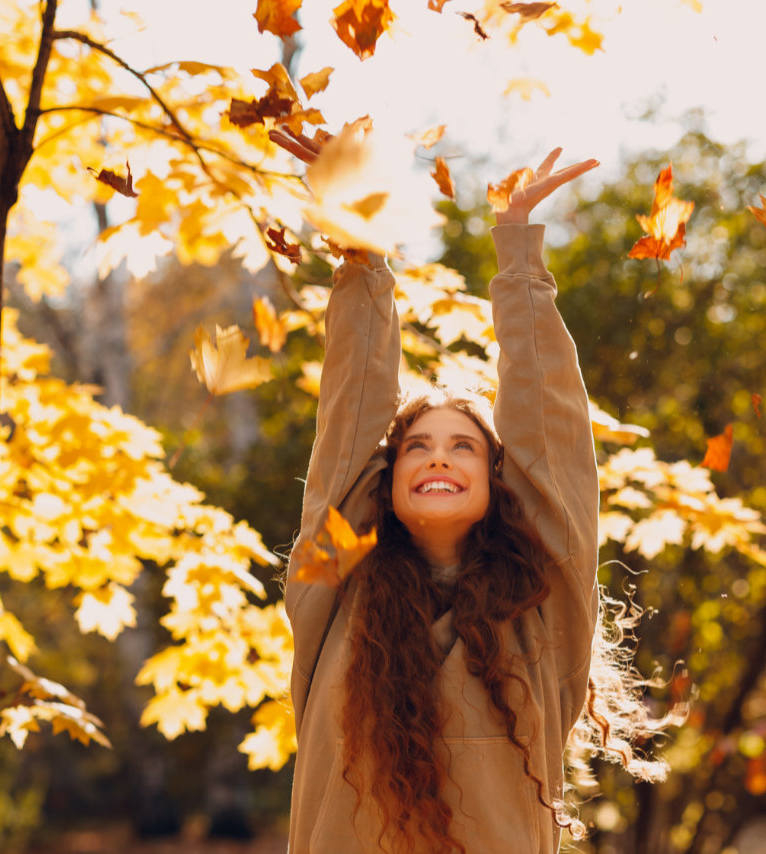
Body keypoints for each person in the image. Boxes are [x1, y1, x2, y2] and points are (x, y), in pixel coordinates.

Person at [273, 128, 672, 854]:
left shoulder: (543, 607)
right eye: (416, 447)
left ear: (497, 482)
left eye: (464, 446)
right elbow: (350, 415)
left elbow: (550, 437)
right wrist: (360, 248)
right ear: (383, 484)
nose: (438, 458)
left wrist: (518, 252)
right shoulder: (332, 590)